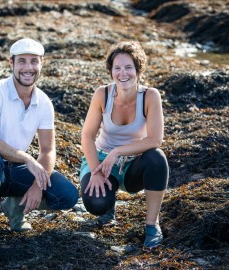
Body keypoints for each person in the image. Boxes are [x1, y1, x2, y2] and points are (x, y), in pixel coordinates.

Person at [0, 38, 79, 248]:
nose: (28, 68)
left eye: (34, 61)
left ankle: (15, 206)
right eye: (22, 61)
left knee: (67, 196)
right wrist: (27, 158)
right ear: (12, 63)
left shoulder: (43, 102)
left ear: (41, 63)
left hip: (14, 171)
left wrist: (37, 185)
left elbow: (48, 149)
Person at [80, 41, 169, 249]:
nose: (123, 73)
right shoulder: (102, 94)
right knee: (97, 205)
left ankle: (151, 225)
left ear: (138, 69)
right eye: (117, 68)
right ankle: (109, 207)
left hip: (132, 164)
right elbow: (87, 136)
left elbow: (155, 140)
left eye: (128, 67)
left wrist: (118, 152)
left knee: (157, 158)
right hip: (102, 161)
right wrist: (95, 170)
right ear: (110, 71)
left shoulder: (150, 96)